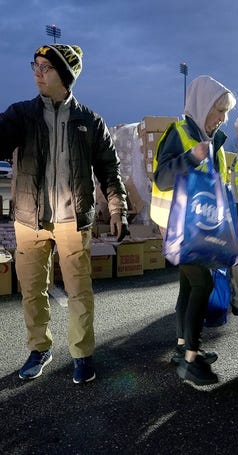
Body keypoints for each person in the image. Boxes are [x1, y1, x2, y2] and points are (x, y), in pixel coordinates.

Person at [0, 44, 128, 384]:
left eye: (46, 67)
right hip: (29, 219)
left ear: (65, 75)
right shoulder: (21, 115)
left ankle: (82, 355)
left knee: (79, 292)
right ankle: (39, 348)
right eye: (36, 65)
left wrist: (117, 207)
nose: (37, 72)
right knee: (31, 291)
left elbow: (108, 170)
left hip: (73, 221)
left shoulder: (89, 121)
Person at [151, 75, 236, 386]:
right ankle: (191, 358)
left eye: (226, 111)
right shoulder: (180, 134)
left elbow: (217, 184)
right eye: (219, 110)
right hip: (177, 228)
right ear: (203, 106)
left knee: (189, 287)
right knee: (202, 283)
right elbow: (161, 178)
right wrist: (191, 157)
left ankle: (181, 348)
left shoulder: (213, 140)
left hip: (199, 227)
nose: (223, 118)